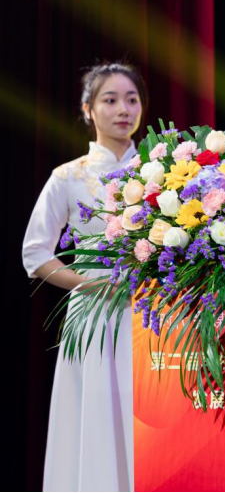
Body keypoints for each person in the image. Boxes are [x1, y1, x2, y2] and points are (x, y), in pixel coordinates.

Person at [23, 62, 147, 491]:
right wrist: (87, 283)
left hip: (154, 311)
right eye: (110, 100)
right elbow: (35, 252)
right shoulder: (69, 176)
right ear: (88, 109)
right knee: (95, 413)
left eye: (132, 99)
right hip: (94, 312)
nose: (123, 109)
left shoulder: (165, 172)